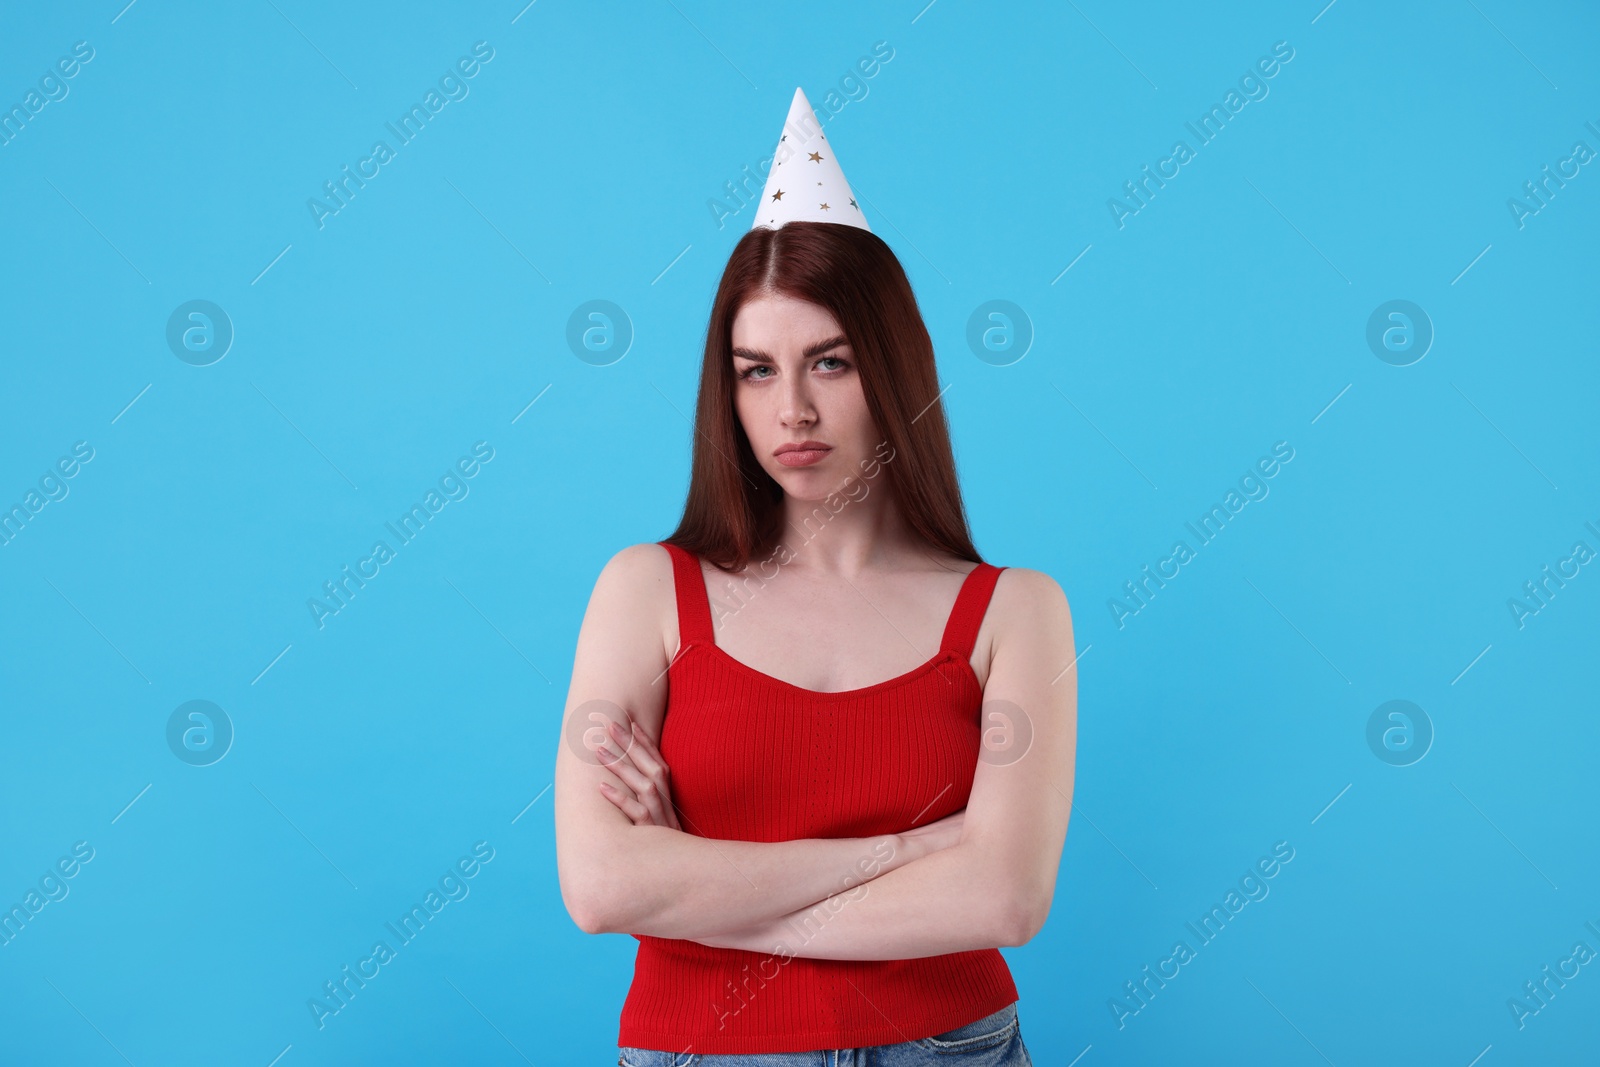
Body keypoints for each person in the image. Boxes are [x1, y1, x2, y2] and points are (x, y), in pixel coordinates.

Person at [553, 89, 1076, 1066]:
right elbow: (598, 885)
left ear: (891, 367)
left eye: (828, 362)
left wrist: (695, 890)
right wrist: (910, 850)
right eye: (755, 369)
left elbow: (1003, 896)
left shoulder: (1015, 610)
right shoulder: (645, 591)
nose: (790, 407)